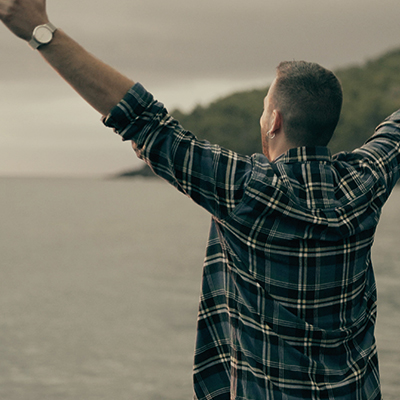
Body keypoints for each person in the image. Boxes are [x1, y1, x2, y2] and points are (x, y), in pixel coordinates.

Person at [1, 1, 399, 399]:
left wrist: (39, 30)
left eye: (264, 109)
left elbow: (143, 120)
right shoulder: (366, 180)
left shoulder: (248, 189)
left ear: (274, 121)